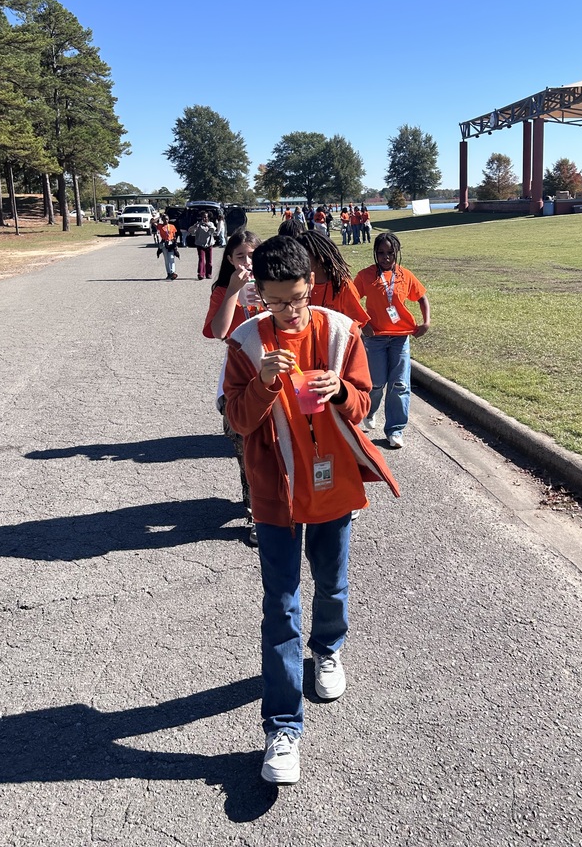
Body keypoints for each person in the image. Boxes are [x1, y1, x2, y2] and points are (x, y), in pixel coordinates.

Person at [223, 236, 399, 785]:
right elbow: (236, 420)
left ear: (311, 286)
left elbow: (365, 401)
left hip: (331, 485)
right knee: (280, 605)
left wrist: (342, 392)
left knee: (332, 583)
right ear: (260, 295)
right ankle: (282, 727)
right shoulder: (245, 342)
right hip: (276, 495)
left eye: (297, 298)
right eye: (277, 302)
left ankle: (326, 650)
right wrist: (264, 383)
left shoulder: (340, 330)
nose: (290, 311)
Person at [205, 229, 263, 546]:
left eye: (252, 254)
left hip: (273, 372)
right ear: (229, 259)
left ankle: (283, 505)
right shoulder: (224, 290)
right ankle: (256, 515)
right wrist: (233, 292)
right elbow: (218, 331)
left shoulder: (273, 282)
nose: (247, 261)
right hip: (239, 379)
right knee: (247, 450)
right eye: (240, 255)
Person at [354, 232, 430, 448]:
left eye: (390, 253)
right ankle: (369, 411)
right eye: (381, 253)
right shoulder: (365, 276)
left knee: (399, 384)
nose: (386, 257)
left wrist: (426, 322)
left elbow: (422, 298)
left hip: (400, 338)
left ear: (397, 252)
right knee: (376, 383)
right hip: (375, 339)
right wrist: (363, 323)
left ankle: (395, 430)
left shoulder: (405, 275)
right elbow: (349, 300)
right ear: (375, 253)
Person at [295, 229, 369, 328]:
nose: (297, 262)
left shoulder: (342, 285)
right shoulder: (295, 285)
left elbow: (356, 323)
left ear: (320, 256)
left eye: (302, 257)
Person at [189, 212, 216, 280]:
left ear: (208, 217)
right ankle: (201, 274)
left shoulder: (211, 224)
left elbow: (213, 229)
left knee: (209, 260)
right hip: (200, 244)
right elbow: (190, 230)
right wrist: (195, 226)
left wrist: (207, 225)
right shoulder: (198, 225)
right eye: (203, 217)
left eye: (206, 217)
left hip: (209, 244)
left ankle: (208, 274)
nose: (205, 218)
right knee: (201, 259)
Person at [156, 214, 180, 280]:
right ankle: (169, 273)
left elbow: (174, 236)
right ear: (162, 220)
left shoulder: (172, 226)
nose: (166, 220)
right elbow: (152, 222)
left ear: (168, 219)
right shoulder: (160, 226)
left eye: (167, 219)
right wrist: (159, 217)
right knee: (166, 260)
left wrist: (175, 244)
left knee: (171, 258)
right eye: (164, 219)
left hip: (171, 244)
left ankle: (173, 272)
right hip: (164, 244)